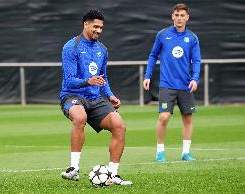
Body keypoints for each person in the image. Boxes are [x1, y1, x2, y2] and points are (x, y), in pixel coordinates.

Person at [59, 9, 132, 185]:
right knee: (80, 117)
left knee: (119, 126)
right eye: (95, 26)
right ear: (85, 24)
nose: (99, 30)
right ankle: (74, 169)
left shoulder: (102, 49)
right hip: (73, 95)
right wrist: (87, 81)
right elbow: (69, 81)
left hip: (95, 98)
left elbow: (103, 78)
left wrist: (110, 95)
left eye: (101, 27)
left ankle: (113, 175)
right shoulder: (71, 47)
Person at [143, 3, 201, 162]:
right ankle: (160, 152)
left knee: (188, 118)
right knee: (164, 117)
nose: (179, 18)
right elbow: (153, 55)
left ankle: (186, 153)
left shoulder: (192, 38)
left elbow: (196, 60)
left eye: (182, 15)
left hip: (185, 85)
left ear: (187, 17)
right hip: (167, 85)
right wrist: (147, 75)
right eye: (177, 15)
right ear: (172, 16)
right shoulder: (163, 35)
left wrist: (195, 78)